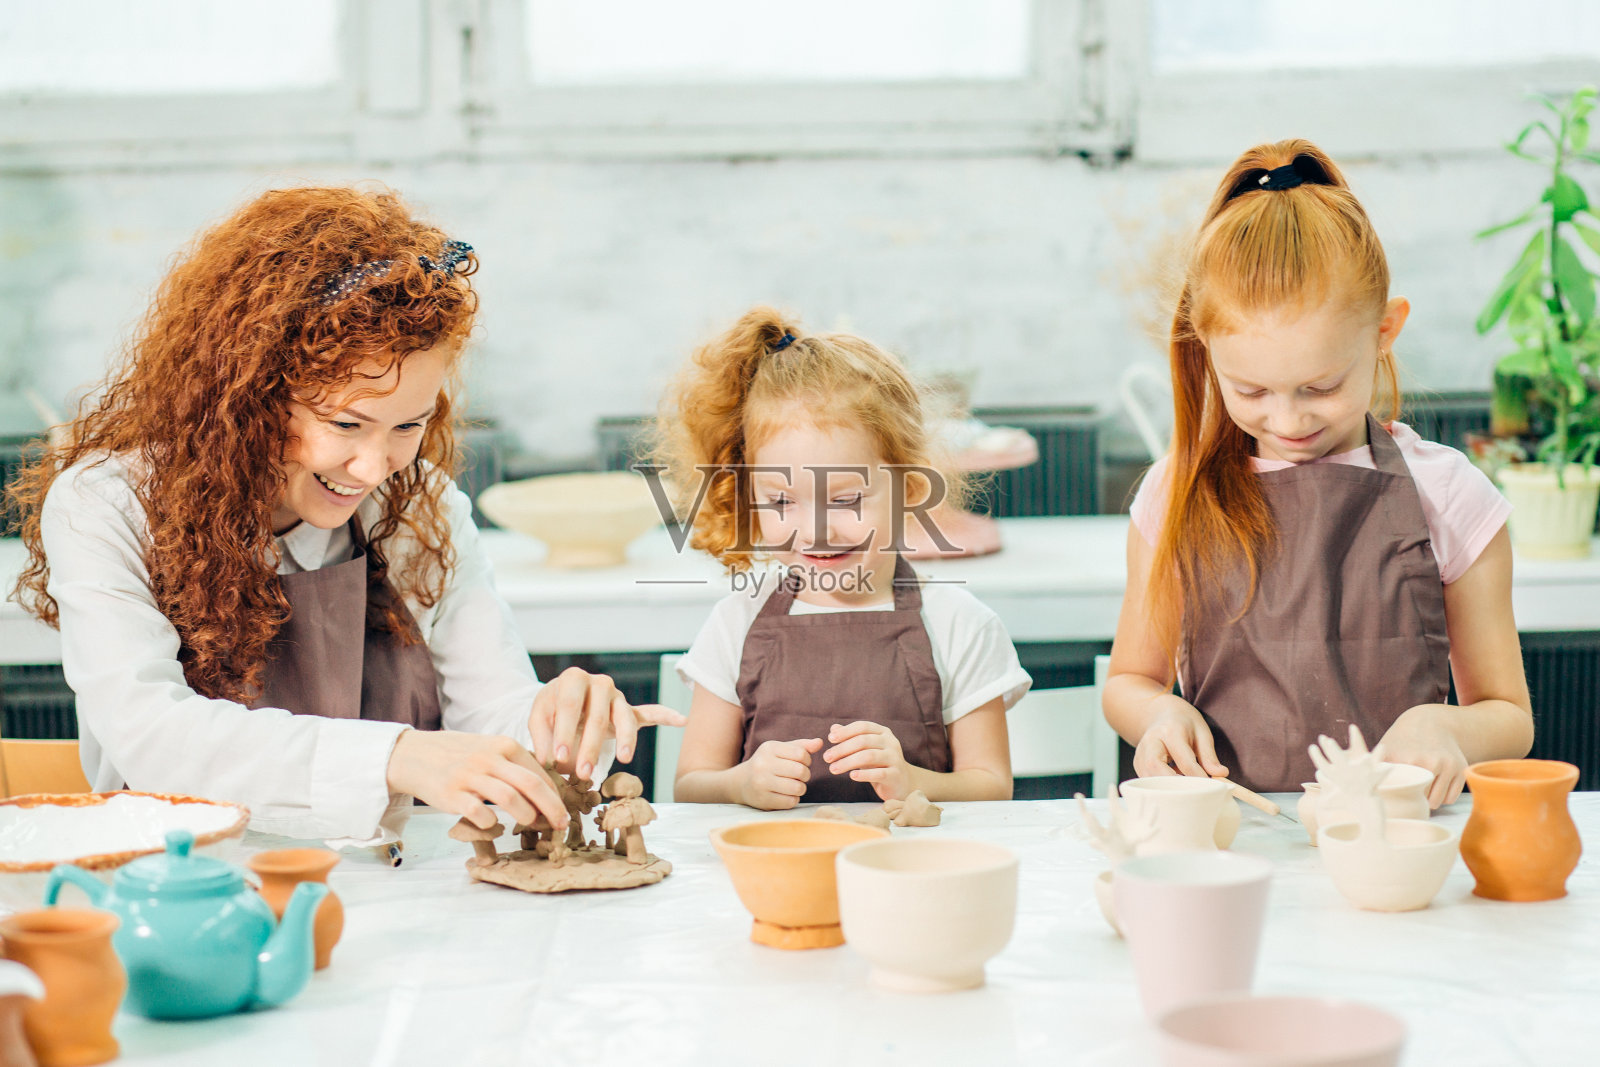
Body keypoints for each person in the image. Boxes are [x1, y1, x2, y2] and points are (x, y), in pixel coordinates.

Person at [10, 186, 681, 845]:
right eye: (345, 422)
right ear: (247, 396)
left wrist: (551, 718)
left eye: (409, 424)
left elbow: (490, 708)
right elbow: (153, 734)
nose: (374, 465)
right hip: (188, 887)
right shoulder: (107, 505)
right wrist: (396, 756)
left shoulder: (419, 510)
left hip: (399, 892)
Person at [1103, 140, 1533, 808]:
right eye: (1251, 391)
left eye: (1321, 385)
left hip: (1394, 844)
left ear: (1385, 331)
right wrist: (1159, 715)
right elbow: (1131, 679)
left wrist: (1446, 725)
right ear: (1205, 348)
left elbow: (1509, 714)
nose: (1289, 419)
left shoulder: (1450, 496)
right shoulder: (1173, 496)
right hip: (1233, 843)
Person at [655, 307, 1030, 809]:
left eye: (846, 500)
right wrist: (740, 784)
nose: (814, 530)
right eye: (782, 501)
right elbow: (691, 785)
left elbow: (990, 786)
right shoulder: (735, 623)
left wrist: (914, 781)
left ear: (911, 491)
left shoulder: (961, 624)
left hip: (907, 874)